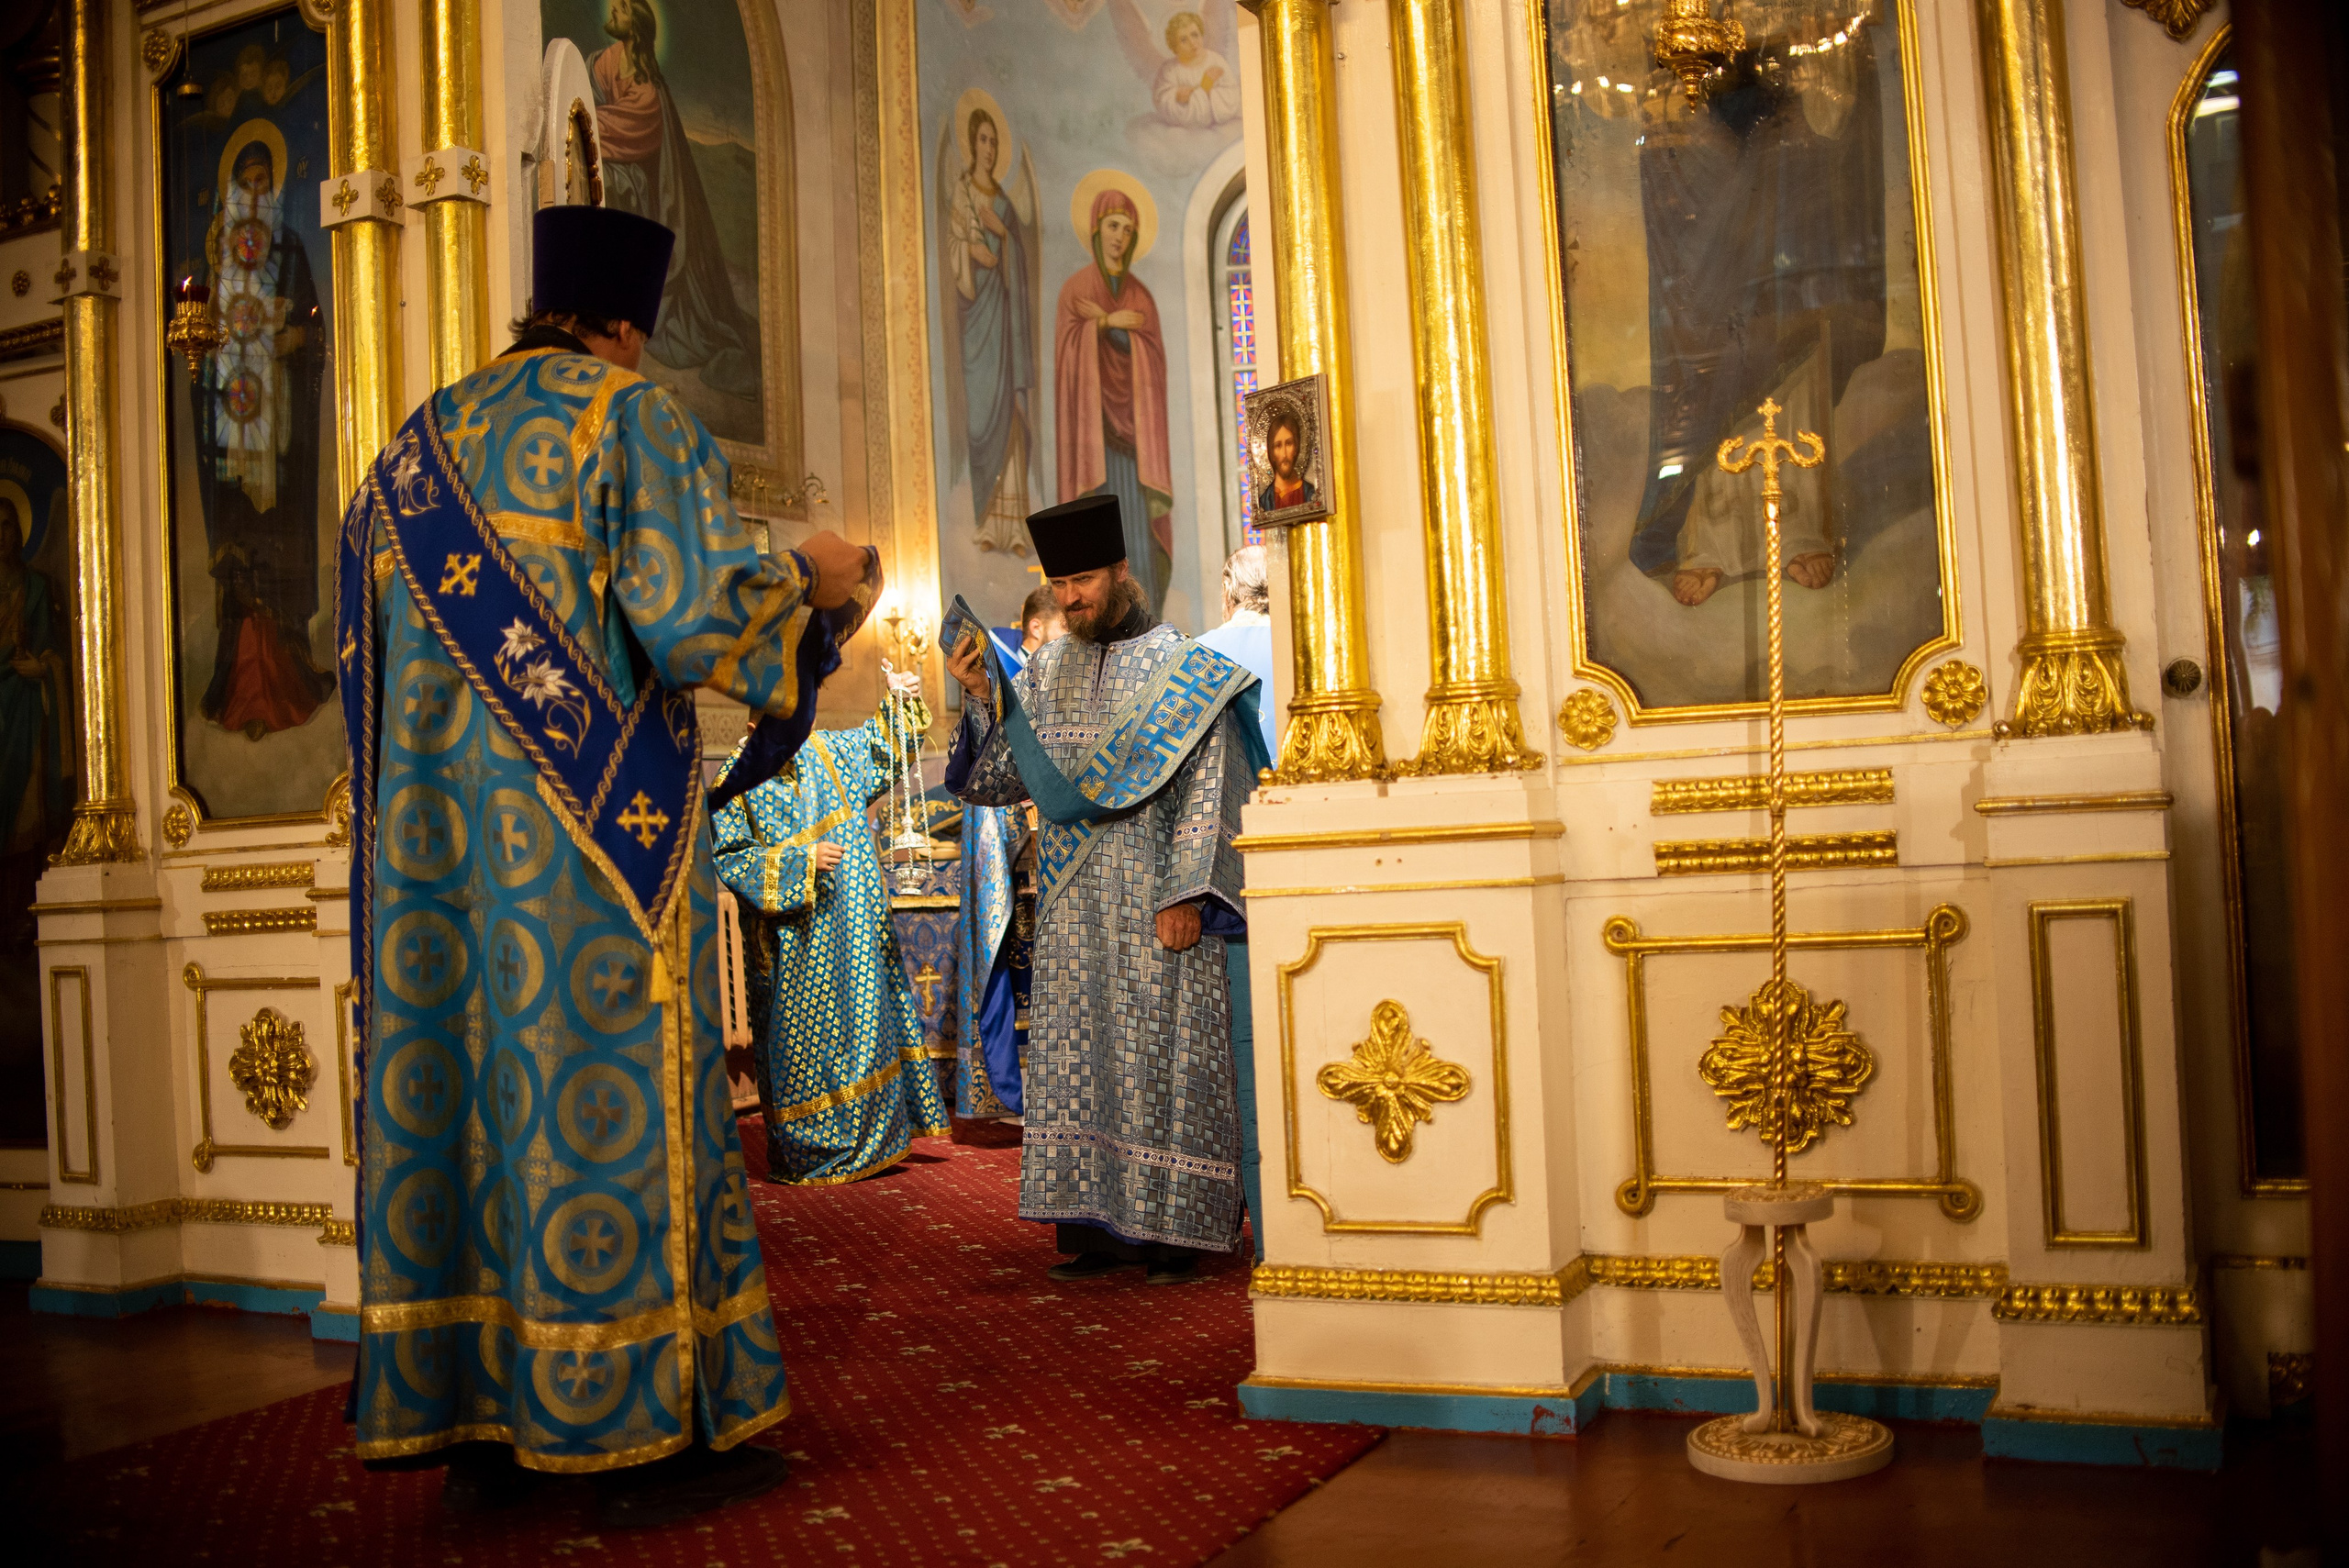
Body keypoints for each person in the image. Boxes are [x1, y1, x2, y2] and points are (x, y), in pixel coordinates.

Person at [336, 204, 877, 1526]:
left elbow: (351, 654)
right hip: (592, 865)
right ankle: (623, 1417)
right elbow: (697, 621)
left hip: (429, 873)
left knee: (465, 1109)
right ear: (628, 322)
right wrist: (808, 586)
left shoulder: (408, 456)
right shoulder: (628, 420)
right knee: (601, 1109)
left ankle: (471, 1409)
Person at [944, 495, 1265, 1285]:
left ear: (1123, 572)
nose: (1071, 597)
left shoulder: (1185, 669)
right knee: (1081, 1063)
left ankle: (1174, 1235)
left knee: (1161, 1066)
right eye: (1060, 584)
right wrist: (987, 701)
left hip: (1157, 904)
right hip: (1070, 907)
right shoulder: (1046, 670)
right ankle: (1094, 1232)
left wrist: (1189, 891)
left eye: (1084, 579)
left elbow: (1211, 785)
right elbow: (1006, 779)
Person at [715, 669, 949, 1184]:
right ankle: (817, 1152)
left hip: (857, 925)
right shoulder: (735, 778)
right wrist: (800, 862)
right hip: (795, 943)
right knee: (806, 1044)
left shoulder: (828, 751)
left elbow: (882, 747)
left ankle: (877, 1139)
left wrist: (900, 697)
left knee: (867, 1026)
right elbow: (732, 858)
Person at [198, 135, 330, 737]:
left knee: (279, 533)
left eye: (261, 182)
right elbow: (199, 348)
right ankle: (239, 678)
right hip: (232, 432)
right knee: (240, 539)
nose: (253, 193)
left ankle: (287, 669)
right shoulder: (218, 263)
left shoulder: (293, 250)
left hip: (280, 432)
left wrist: (289, 342)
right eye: (243, 182)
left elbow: (313, 332)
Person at [589, 0, 763, 404]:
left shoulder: (648, 92)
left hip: (647, 188)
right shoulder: (602, 62)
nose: (611, 16)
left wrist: (584, 120)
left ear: (637, 23)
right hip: (625, 178)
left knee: (618, 189)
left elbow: (627, 132)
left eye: (620, 10)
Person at [957, 585, 1063, 1130]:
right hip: (1015, 855)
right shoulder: (1008, 682)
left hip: (1058, 858)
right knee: (1016, 964)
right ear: (1039, 629)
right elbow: (985, 771)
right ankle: (1015, 1089)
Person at [1194, 546, 1274, 1262]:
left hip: (1231, 871)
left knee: (1245, 1055)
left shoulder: (1201, 655)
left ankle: (1266, 1236)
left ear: (1229, 591)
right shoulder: (1313, 650)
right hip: (1310, 856)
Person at [1055, 188, 1174, 613]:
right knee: (1099, 533)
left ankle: (1142, 618)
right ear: (1095, 229)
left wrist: (1115, 328)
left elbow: (1154, 366)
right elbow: (1068, 357)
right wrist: (1103, 324)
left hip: (1134, 447)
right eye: (1113, 226)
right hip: (1095, 442)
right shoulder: (1076, 289)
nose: (1120, 236)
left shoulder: (1141, 297)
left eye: (1128, 229)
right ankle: (1101, 614)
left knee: (1136, 537)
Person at [1152, 10, 1240, 128]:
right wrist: (1177, 97)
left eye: (1195, 35)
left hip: (1218, 127)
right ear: (1175, 46)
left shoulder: (1216, 61)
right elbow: (1161, 100)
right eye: (1183, 40)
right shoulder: (1169, 70)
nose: (1192, 42)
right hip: (1183, 132)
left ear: (1201, 33)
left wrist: (1207, 91)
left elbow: (1232, 95)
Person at [1255, 411, 1317, 517]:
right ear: (1271, 453)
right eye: (1278, 446)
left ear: (1296, 448)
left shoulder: (1310, 494)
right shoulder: (1264, 502)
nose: (1284, 454)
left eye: (1289, 443)